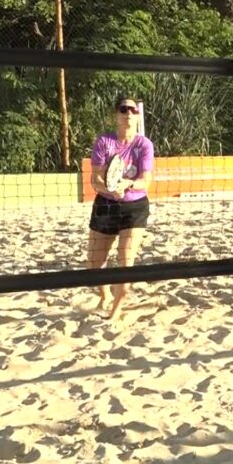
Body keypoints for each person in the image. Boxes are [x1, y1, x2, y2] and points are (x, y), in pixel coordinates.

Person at [87, 96, 155, 320]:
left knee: (125, 260)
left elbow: (146, 181)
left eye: (132, 110)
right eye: (123, 109)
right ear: (116, 114)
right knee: (94, 263)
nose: (128, 113)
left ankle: (115, 312)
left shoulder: (144, 145)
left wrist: (128, 184)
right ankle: (105, 296)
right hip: (106, 204)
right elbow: (95, 180)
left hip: (134, 206)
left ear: (137, 115)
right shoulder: (104, 142)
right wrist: (109, 190)